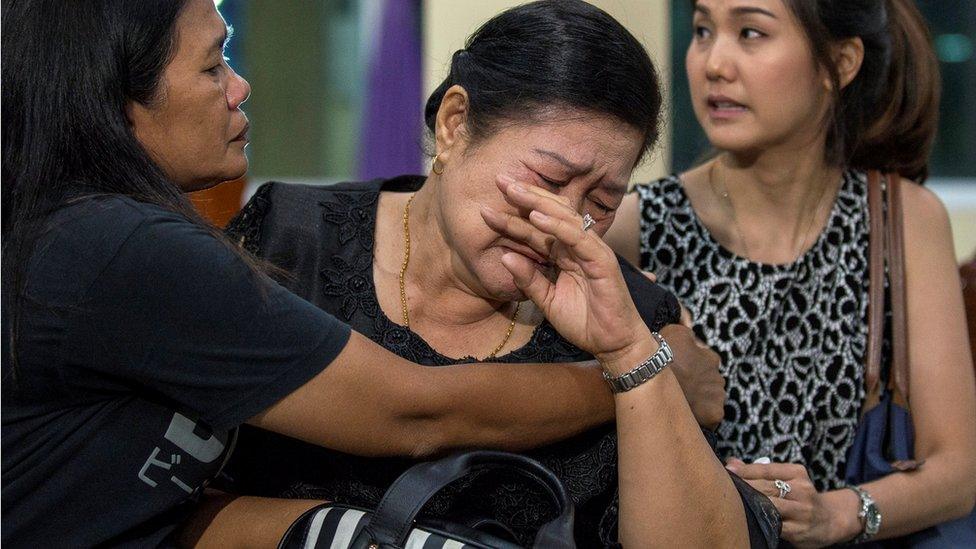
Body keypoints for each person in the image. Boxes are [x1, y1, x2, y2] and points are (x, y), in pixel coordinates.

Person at [0, 0, 772, 547]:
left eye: (602, 199)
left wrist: (636, 354)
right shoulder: (271, 242)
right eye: (547, 178)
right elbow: (411, 413)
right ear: (455, 123)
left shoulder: (636, 321)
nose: (567, 221)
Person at [604, 0, 976, 545]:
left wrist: (838, 514)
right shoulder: (641, 224)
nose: (714, 63)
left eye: (751, 32)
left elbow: (958, 472)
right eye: (703, 30)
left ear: (840, 64)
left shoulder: (901, 220)